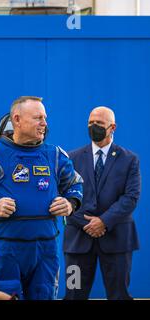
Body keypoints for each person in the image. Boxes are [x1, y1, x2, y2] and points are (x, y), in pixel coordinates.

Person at [0, 96, 83, 300]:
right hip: (5, 249)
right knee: (4, 296)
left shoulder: (55, 155)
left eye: (45, 118)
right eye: (37, 118)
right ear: (17, 120)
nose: (44, 124)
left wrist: (70, 203)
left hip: (45, 249)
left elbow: (75, 184)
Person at [64, 106, 141, 300]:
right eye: (90, 123)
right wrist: (89, 224)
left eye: (98, 123)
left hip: (117, 240)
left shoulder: (129, 159)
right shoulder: (71, 158)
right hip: (78, 241)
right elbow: (64, 196)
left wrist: (103, 221)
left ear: (112, 127)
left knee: (119, 296)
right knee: (73, 294)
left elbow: (131, 197)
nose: (93, 126)